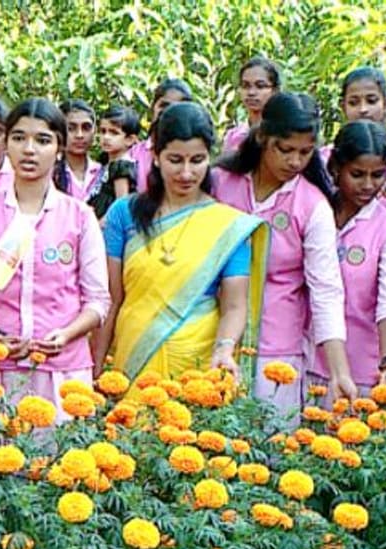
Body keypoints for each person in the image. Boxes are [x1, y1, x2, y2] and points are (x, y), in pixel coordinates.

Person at [94, 102, 267, 380]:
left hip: (197, 370)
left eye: (197, 160)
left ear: (209, 157)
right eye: (175, 160)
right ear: (156, 156)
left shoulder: (228, 226)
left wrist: (224, 350)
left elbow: (234, 306)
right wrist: (96, 366)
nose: (186, 173)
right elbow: (111, 299)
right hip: (131, 360)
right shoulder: (124, 214)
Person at [0, 99, 109, 405]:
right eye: (18, 138)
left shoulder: (79, 216)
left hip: (62, 371)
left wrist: (65, 335)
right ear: (6, 144)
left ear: (59, 148)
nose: (29, 149)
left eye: (42, 140)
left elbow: (98, 301)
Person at [213, 92, 354, 411]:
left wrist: (338, 371)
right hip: (213, 339)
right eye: (285, 149)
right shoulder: (221, 183)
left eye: (305, 152)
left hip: (278, 353)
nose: (295, 162)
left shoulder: (312, 205)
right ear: (262, 136)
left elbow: (326, 292)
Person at [319, 120, 386, 392]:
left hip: (361, 368)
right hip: (303, 358)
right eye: (357, 175)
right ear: (336, 168)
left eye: (378, 175)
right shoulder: (315, 212)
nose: (368, 185)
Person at [324, 67, 386, 181]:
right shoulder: (325, 158)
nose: (363, 109)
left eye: (371, 101)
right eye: (353, 103)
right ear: (343, 107)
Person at [130, 78, 193, 193]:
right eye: (164, 105)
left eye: (178, 107)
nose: (170, 112)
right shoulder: (132, 155)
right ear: (152, 109)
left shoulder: (196, 156)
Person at [88, 106, 140, 221]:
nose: (106, 137)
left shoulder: (122, 166)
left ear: (130, 139)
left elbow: (121, 203)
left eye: (114, 133)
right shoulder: (107, 163)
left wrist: (101, 223)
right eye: (103, 131)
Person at [222, 57, 281, 153]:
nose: (251, 92)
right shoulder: (233, 137)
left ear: (275, 91)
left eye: (260, 86)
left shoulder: (284, 134)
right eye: (245, 86)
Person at [60, 99, 102, 201]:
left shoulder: (103, 173)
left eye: (86, 128)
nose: (79, 135)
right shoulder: (49, 173)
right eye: (71, 128)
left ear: (95, 131)